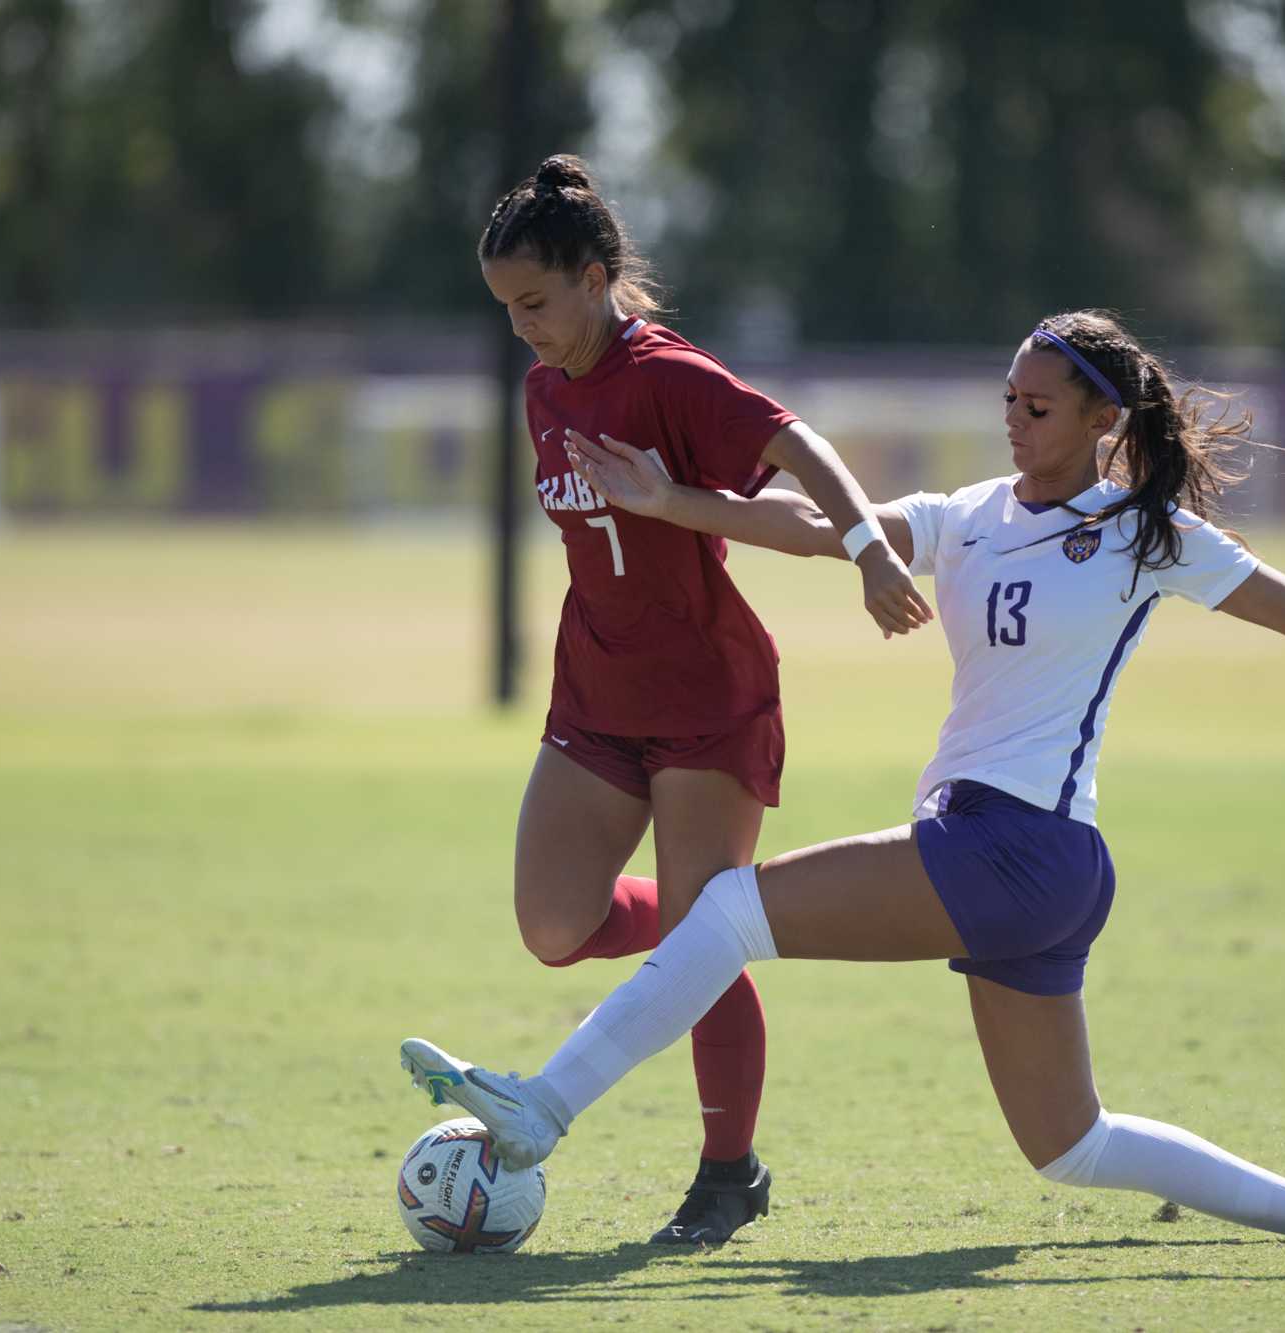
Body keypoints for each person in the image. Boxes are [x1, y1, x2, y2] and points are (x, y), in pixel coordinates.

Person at [403, 309, 1285, 1244]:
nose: (1012, 420)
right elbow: (813, 525)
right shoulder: (966, 516)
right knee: (1069, 1145)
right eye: (1006, 399)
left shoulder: (1148, 533)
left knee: (727, 913)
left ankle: (541, 1106)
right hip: (1033, 866)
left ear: (1101, 418)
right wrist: (672, 504)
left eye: (1038, 405)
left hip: (1013, 845)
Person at [472, 153, 933, 1245]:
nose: (521, 329)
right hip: (593, 693)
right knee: (551, 924)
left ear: (595, 276)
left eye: (535, 302)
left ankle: (728, 1173)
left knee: (696, 938)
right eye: (503, 309)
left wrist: (866, 550)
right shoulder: (543, 390)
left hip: (706, 700)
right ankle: (711, 925)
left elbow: (800, 445)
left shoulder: (667, 374)